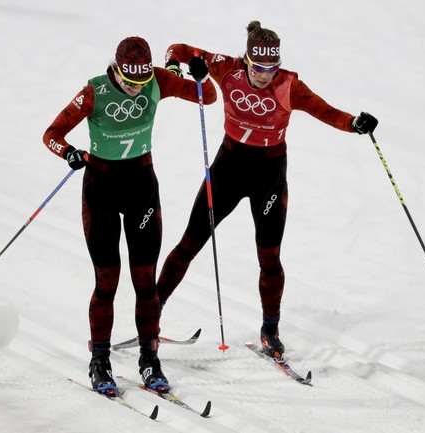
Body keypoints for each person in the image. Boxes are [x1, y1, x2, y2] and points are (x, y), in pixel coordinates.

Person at [157, 21, 378, 358]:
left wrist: (354, 124)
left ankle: (270, 329)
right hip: (228, 168)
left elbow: (326, 111)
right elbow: (180, 49)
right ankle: (151, 315)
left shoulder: (289, 85)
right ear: (247, 60)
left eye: (271, 68)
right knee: (190, 242)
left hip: (269, 174)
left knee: (270, 257)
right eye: (259, 68)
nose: (264, 76)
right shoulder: (227, 68)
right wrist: (176, 67)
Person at [42, 36, 216, 393]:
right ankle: (100, 362)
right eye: (128, 82)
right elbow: (52, 134)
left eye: (140, 83)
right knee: (107, 282)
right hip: (101, 192)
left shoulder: (157, 79)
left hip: (141, 190)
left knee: (145, 283)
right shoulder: (94, 92)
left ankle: (150, 361)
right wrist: (70, 153)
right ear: (116, 69)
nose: (135, 90)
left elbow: (208, 97)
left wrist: (201, 77)